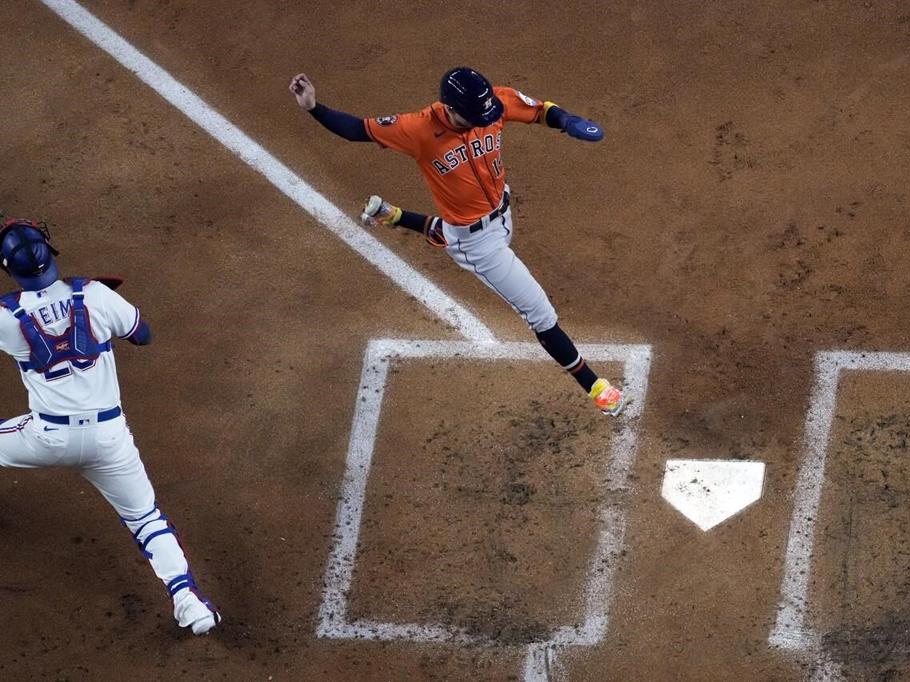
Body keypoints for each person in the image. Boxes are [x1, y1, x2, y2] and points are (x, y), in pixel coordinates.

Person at [289, 67, 628, 415]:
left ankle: (394, 216)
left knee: (456, 233)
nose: (484, 120)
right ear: (449, 108)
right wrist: (314, 107)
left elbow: (539, 110)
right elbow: (356, 130)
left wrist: (566, 121)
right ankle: (596, 388)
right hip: (480, 246)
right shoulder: (418, 129)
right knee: (539, 312)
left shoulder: (489, 103)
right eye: (474, 117)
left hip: (503, 210)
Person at [0, 218, 220, 634]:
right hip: (109, 440)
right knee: (146, 520)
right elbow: (144, 335)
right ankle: (190, 604)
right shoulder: (96, 295)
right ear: (50, 254)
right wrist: (94, 318)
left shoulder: (6, 317)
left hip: (46, 438)